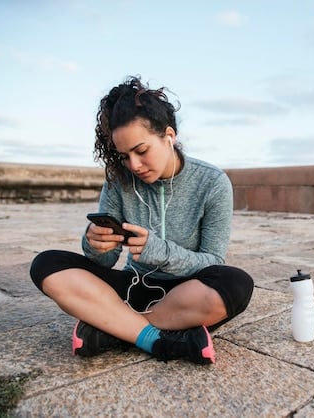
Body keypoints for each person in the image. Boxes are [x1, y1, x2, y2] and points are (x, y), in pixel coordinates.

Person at [30, 75, 254, 365]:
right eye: (124, 156)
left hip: (186, 293)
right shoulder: (117, 181)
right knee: (47, 265)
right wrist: (95, 244)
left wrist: (159, 251)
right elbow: (105, 263)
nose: (133, 165)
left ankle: (114, 327)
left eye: (141, 151)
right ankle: (158, 338)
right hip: (132, 287)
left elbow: (212, 261)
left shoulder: (212, 182)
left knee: (236, 284)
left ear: (169, 136)